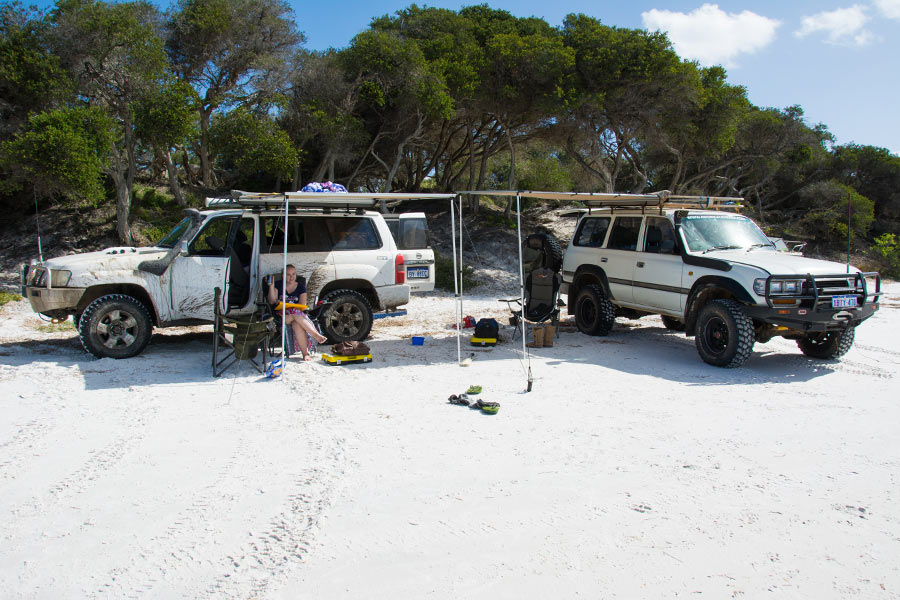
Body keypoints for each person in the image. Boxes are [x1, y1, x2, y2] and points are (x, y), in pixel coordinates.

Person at [267, 264, 327, 361]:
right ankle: (315, 334)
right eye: (288, 275)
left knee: (296, 324)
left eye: (293, 274)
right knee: (295, 314)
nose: (291, 277)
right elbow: (272, 301)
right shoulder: (278, 284)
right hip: (282, 315)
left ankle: (305, 354)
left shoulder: (300, 287)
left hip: (297, 315)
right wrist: (271, 286)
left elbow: (302, 304)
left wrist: (289, 305)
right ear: (283, 275)